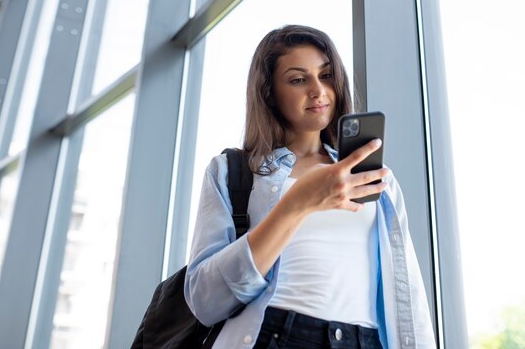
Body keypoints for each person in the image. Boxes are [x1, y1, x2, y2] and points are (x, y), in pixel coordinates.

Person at [183, 25, 436, 349]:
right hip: (273, 334)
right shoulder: (231, 172)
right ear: (269, 92)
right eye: (298, 79)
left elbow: (408, 295)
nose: (318, 90)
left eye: (327, 75)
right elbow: (205, 302)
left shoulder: (376, 177)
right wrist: (297, 203)